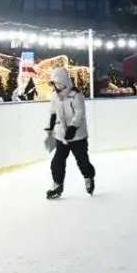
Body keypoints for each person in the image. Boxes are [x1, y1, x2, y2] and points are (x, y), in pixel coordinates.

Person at [43, 67, 95, 199]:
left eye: (59, 84)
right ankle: (57, 185)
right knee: (57, 162)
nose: (57, 87)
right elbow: (53, 112)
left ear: (65, 82)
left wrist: (73, 128)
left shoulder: (76, 95)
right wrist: (50, 126)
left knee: (82, 161)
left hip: (77, 136)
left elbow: (79, 113)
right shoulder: (55, 96)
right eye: (55, 85)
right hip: (62, 136)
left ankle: (88, 177)